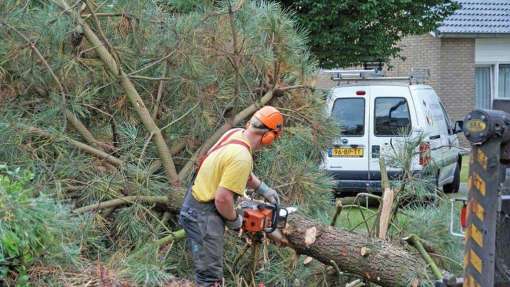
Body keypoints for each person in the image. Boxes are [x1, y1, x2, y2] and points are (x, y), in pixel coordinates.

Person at [179, 106, 283, 286]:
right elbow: (222, 199)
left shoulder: (236, 134)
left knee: (206, 274)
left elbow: (241, 175)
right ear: (269, 136)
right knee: (210, 279)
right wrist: (235, 220)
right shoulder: (241, 156)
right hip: (204, 216)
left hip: (194, 205)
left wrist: (263, 189)